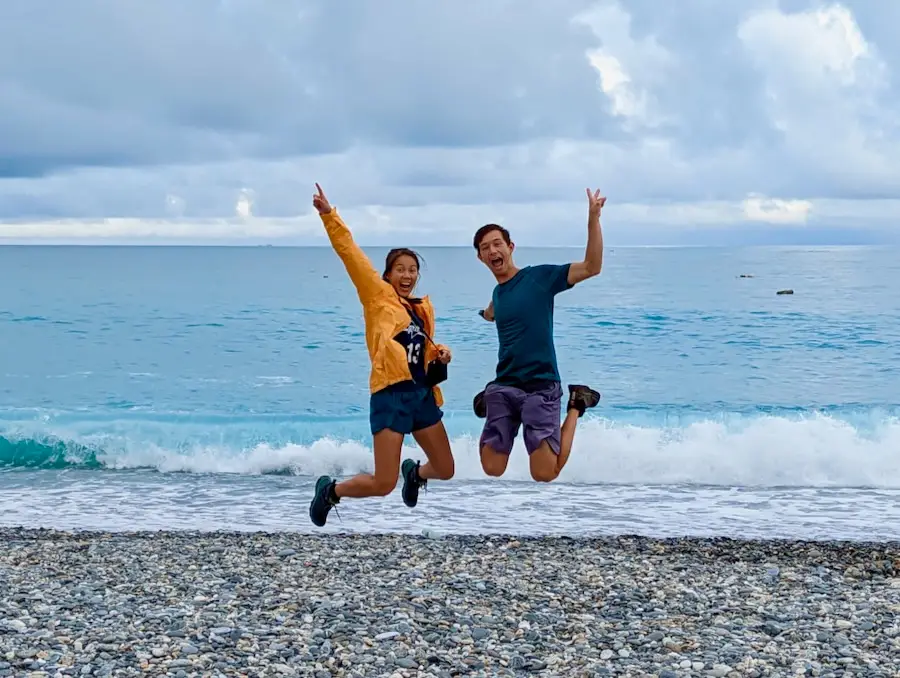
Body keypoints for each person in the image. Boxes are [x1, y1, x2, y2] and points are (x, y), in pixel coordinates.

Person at [308, 183, 455, 527]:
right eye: (400, 269)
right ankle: (331, 492)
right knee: (383, 484)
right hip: (390, 395)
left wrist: (441, 354)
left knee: (446, 469)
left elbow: (417, 348)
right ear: (388, 275)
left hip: (421, 395)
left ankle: (416, 473)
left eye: (412, 269)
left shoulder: (420, 308)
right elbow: (350, 253)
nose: (407, 275)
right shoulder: (376, 296)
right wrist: (330, 216)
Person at [472, 188, 606, 482]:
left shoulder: (539, 278)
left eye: (498, 244)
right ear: (480, 257)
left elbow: (592, 267)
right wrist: (486, 314)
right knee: (492, 468)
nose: (493, 251)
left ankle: (576, 404)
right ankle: (490, 398)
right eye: (486, 247)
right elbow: (495, 308)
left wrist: (593, 218)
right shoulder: (498, 291)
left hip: (541, 387)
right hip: (506, 384)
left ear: (511, 247)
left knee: (545, 473)